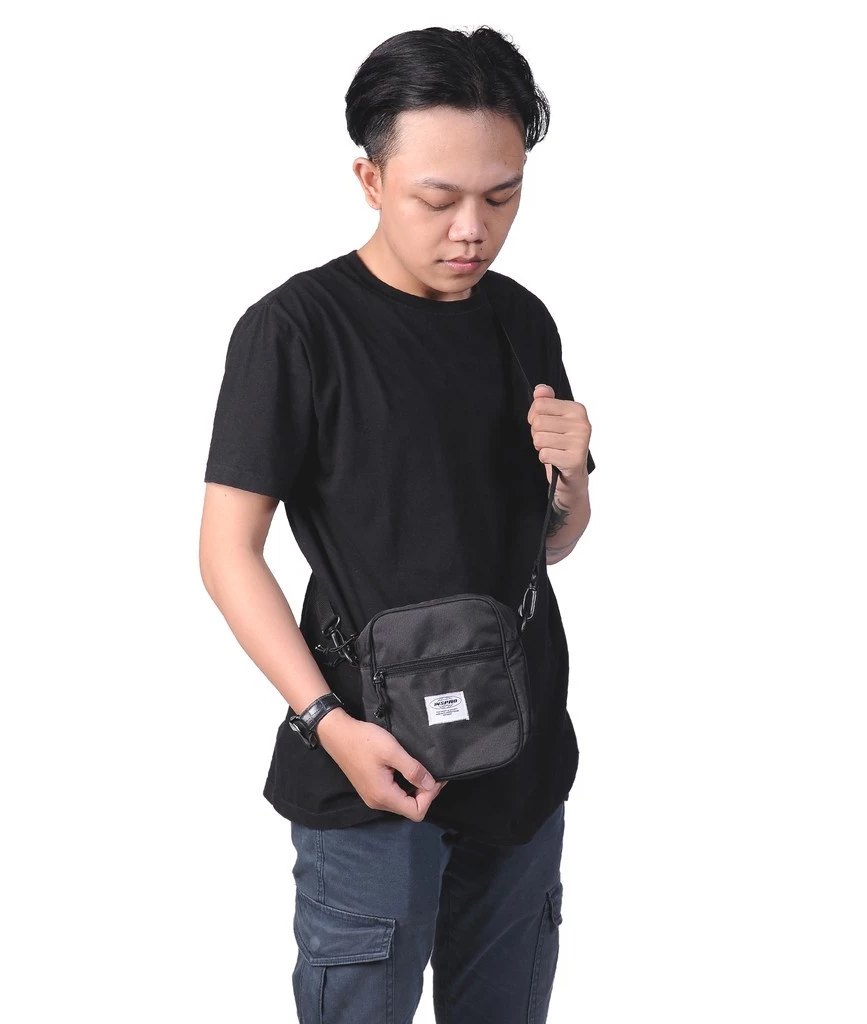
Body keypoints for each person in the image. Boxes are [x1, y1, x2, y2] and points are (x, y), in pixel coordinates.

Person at [199, 24, 595, 1024]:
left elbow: (547, 541)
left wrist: (573, 477)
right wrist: (324, 725)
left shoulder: (521, 319)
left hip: (521, 754)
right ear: (370, 180)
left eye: (501, 196)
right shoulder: (295, 330)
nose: (472, 230)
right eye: (438, 198)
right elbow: (226, 552)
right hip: (367, 757)